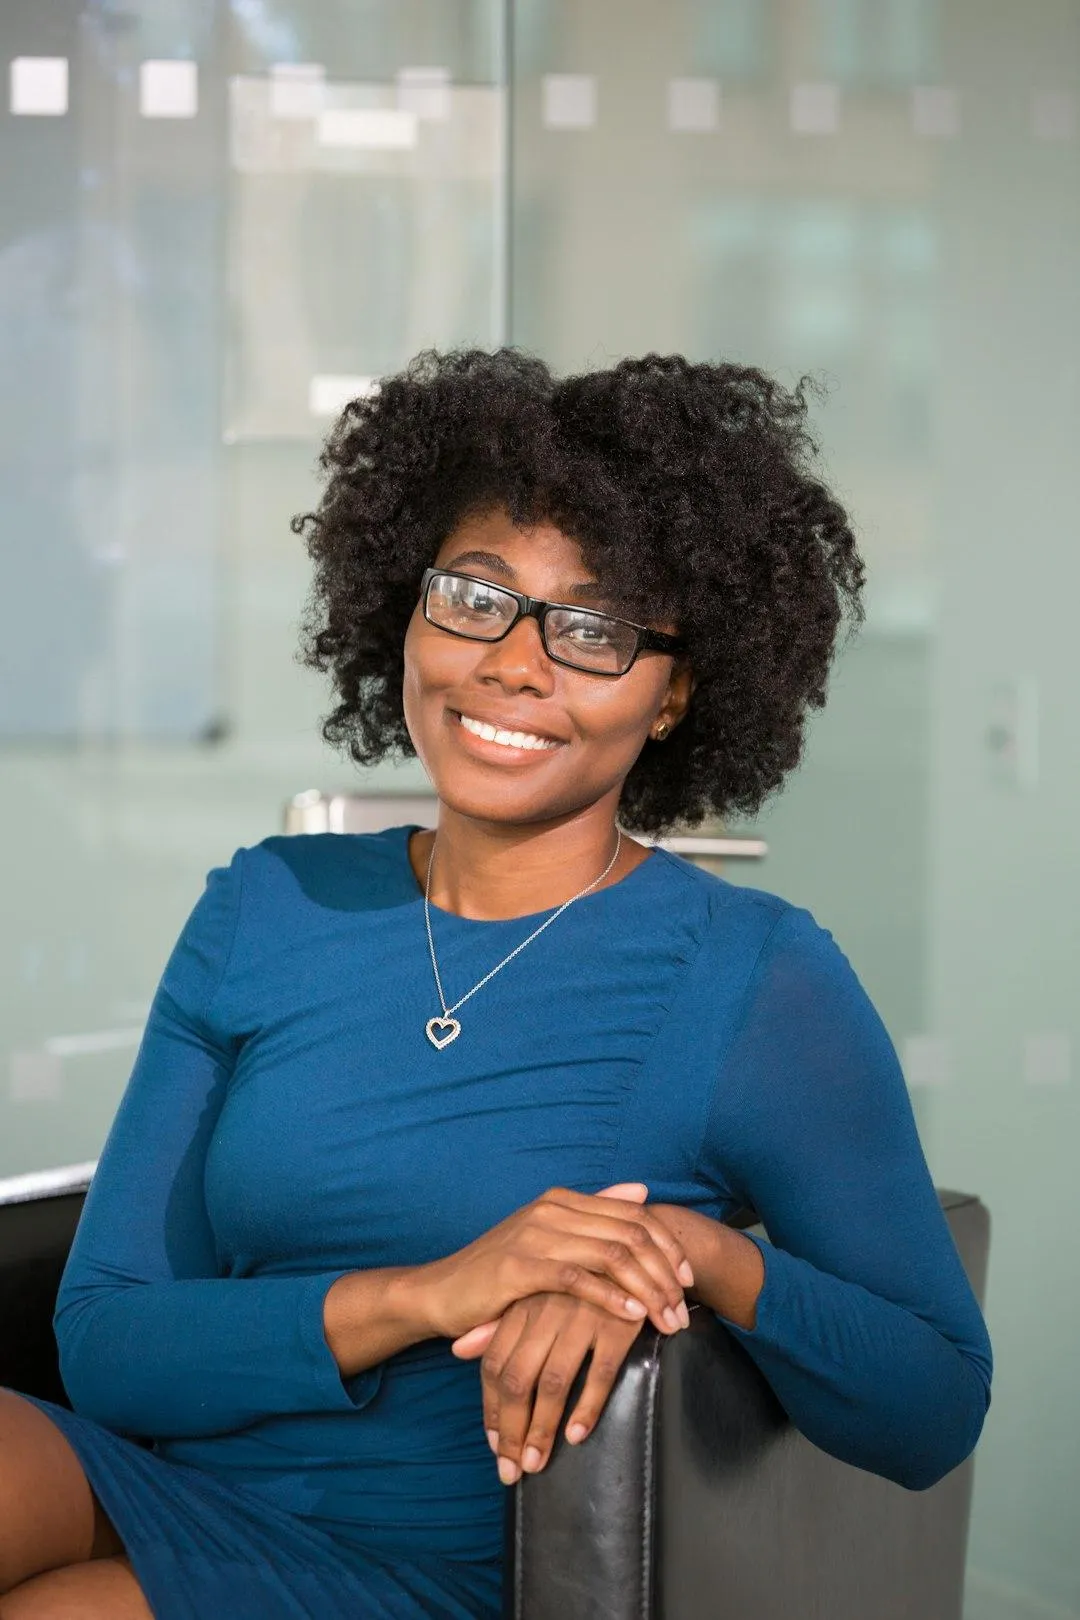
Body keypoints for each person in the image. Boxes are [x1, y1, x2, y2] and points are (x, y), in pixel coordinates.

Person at [0, 349, 992, 1619]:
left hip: (436, 1570)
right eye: (477, 596)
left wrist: (686, 1251)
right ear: (408, 611)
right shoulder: (267, 905)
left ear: (676, 694)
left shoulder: (753, 977)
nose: (516, 664)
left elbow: (931, 1404)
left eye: (595, 629)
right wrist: (434, 1292)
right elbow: (110, 1345)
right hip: (170, 1483)